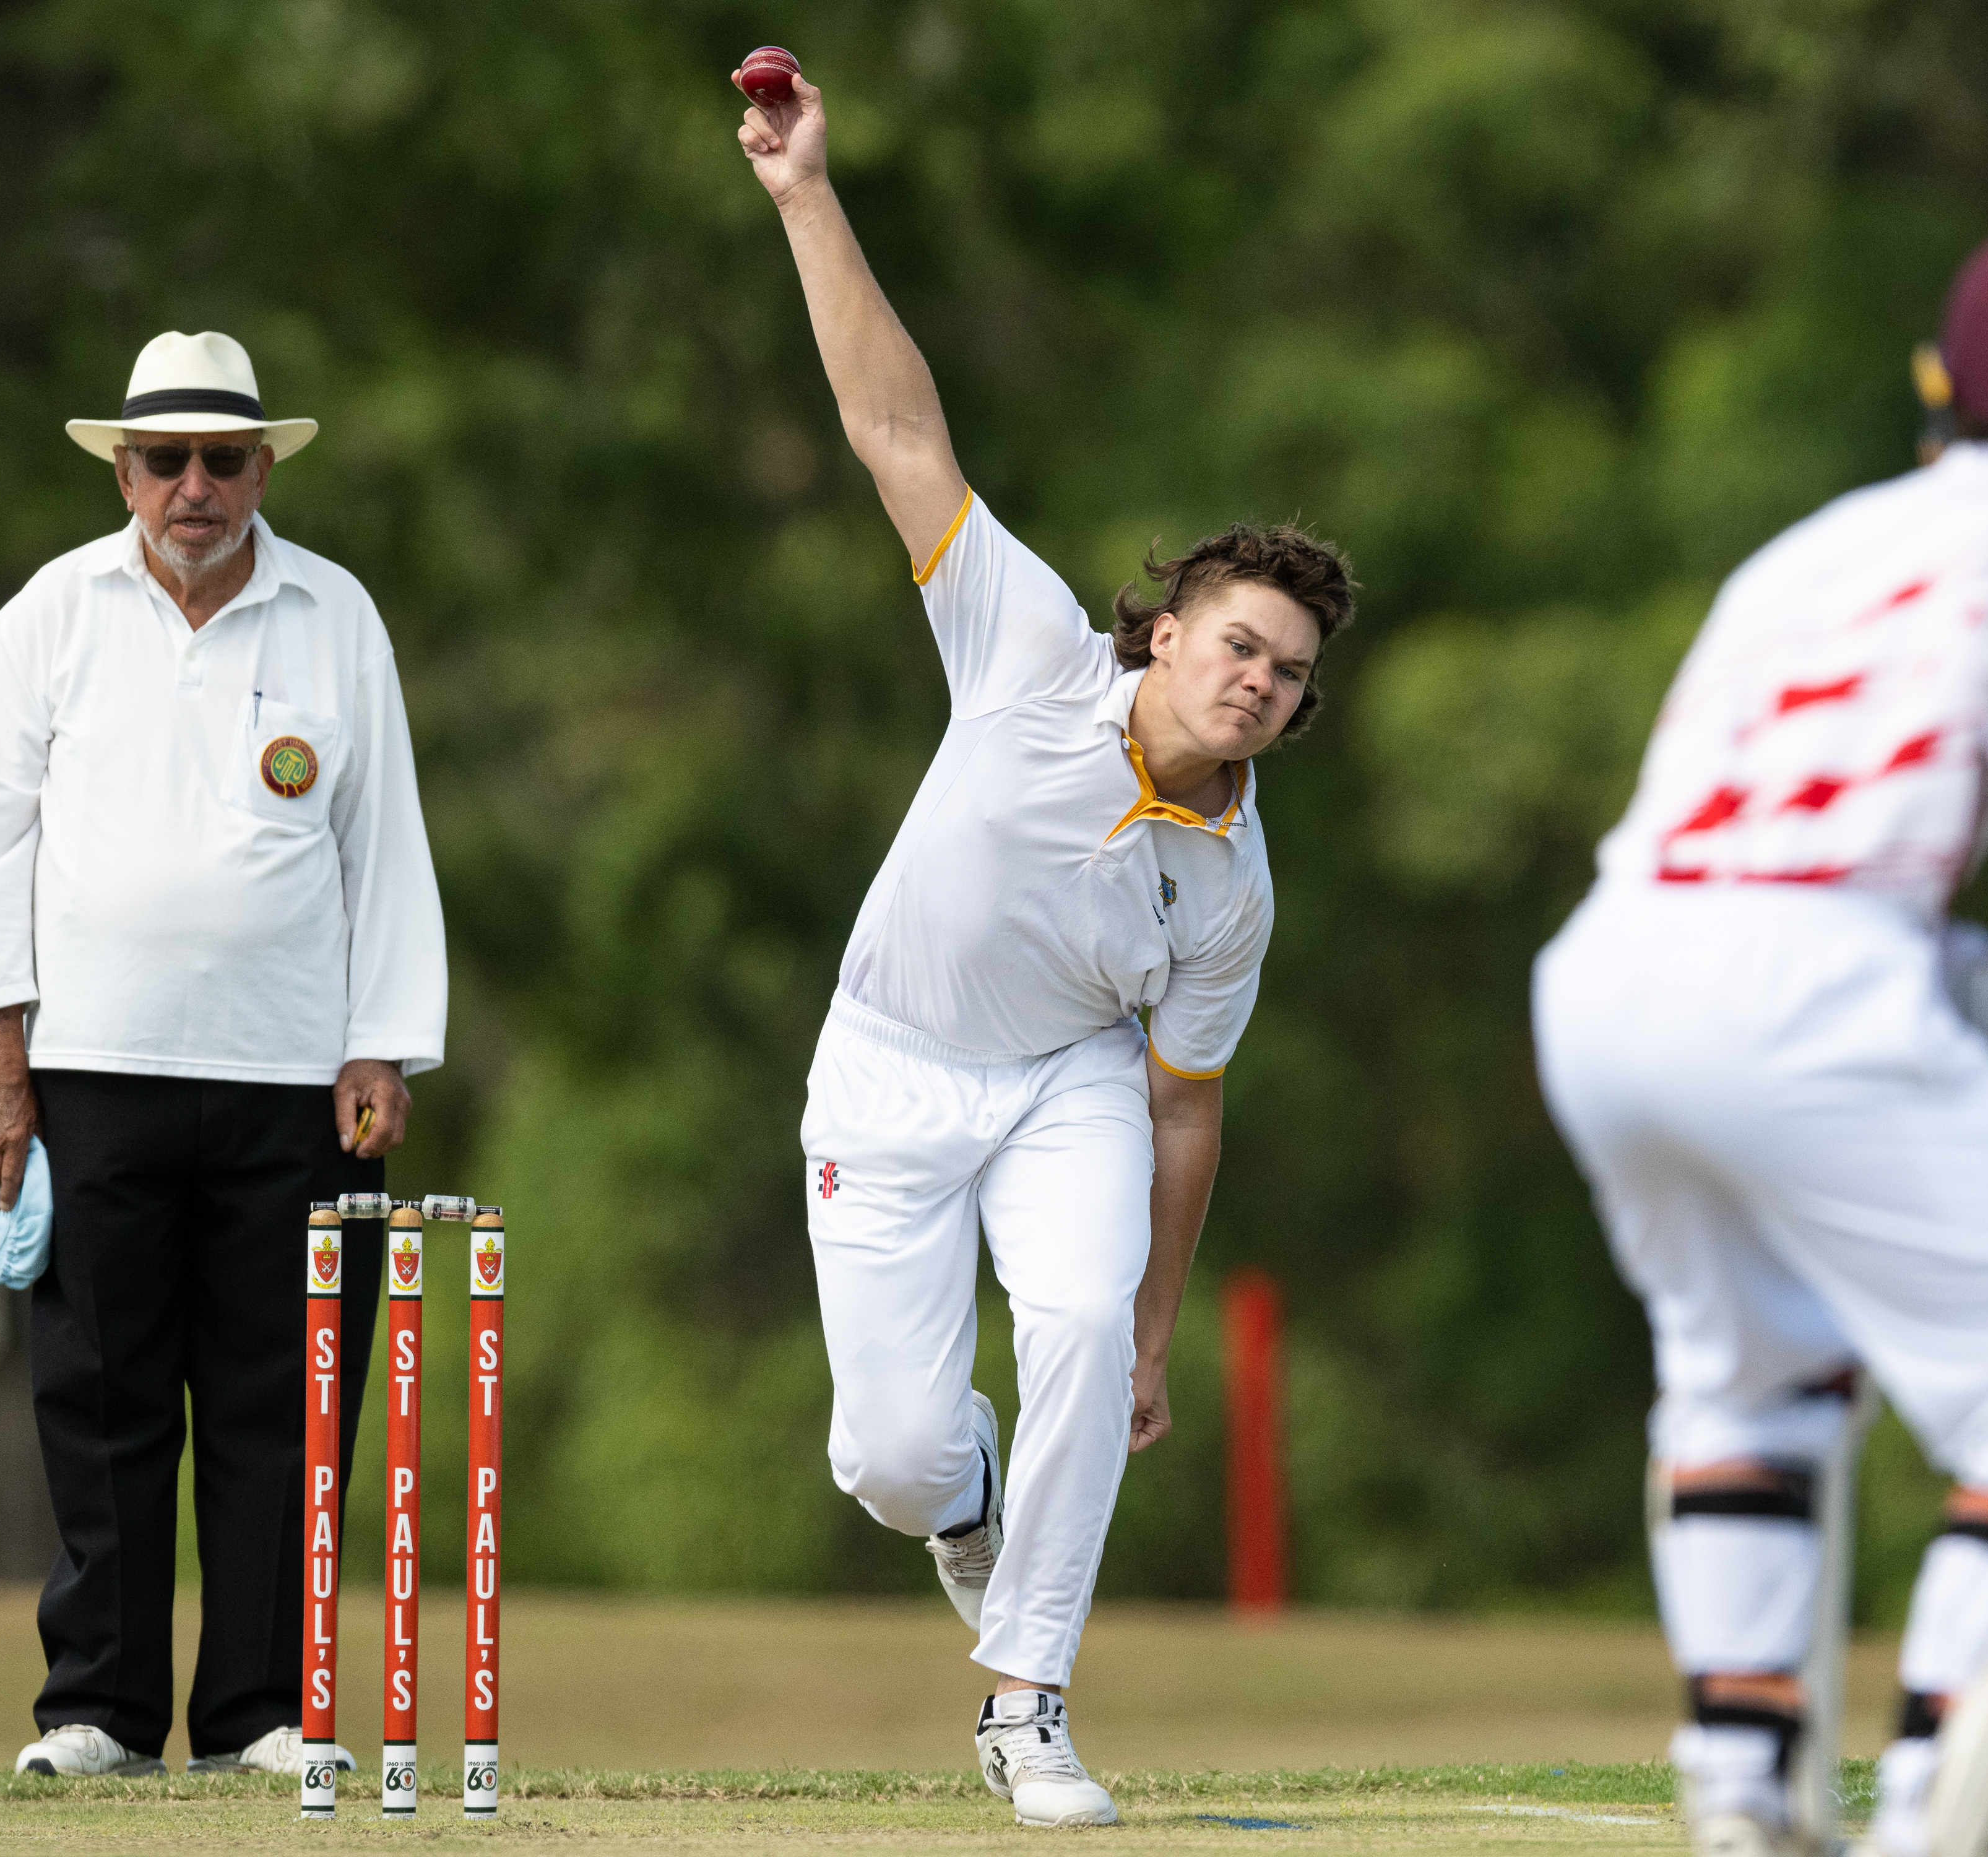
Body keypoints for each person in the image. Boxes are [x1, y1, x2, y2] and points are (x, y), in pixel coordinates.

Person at [1532, 225, 1988, 1857]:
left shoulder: (1806, 545)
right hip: (1808, 980)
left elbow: (1780, 820)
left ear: (1934, 391)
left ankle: (1740, 1793)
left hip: (1613, 970)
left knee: (1747, 1379)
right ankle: (1929, 1801)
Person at [736, 67, 1355, 1829]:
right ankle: (965, 1505)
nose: (1255, 678)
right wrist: (803, 196)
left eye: (1288, 672)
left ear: (1294, 712)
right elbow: (896, 432)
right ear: (1159, 633)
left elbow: (1182, 1117)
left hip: (1069, 1088)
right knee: (890, 1457)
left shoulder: (1233, 889)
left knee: (1076, 1325)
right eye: (1236, 643)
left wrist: (1156, 1333)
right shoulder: (1021, 648)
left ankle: (1028, 1701)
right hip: (887, 1063)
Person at [0, 330, 447, 1778]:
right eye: (169, 461)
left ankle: (262, 1714)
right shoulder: (53, 613)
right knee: (97, 1397)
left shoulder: (333, 614)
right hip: (92, 1069)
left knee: (282, 1397)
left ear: (265, 467)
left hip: (293, 1079)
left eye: (226, 460)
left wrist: (385, 1046)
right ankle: (94, 1709)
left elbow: (383, 838)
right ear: (124, 469)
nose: (198, 488)